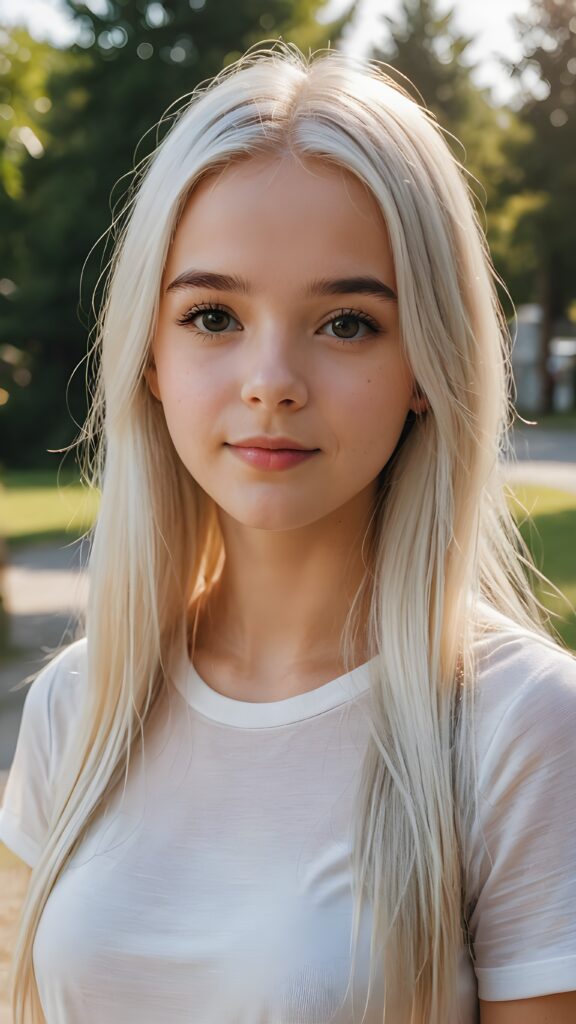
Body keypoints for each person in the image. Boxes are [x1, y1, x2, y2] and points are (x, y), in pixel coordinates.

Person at [0, 40, 575, 1024]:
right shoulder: (78, 707)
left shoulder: (518, 726)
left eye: (346, 322)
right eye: (214, 315)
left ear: (429, 366)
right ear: (149, 356)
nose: (271, 380)